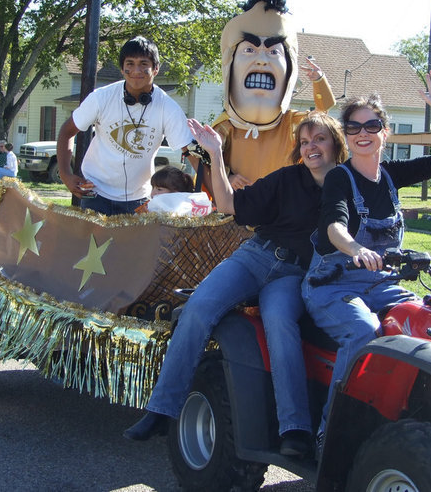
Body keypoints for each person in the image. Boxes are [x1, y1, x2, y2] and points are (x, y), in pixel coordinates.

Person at [123, 112, 348, 458]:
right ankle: (162, 411)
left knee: (281, 324)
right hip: (255, 257)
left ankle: (295, 430)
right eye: (304, 142)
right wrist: (215, 153)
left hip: (293, 274)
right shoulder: (287, 179)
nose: (311, 147)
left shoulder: (347, 186)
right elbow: (228, 205)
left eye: (319, 139)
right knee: (198, 307)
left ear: (335, 142)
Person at [301, 71, 431, 452]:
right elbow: (334, 225)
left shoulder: (391, 176)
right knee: (363, 333)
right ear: (346, 135)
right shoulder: (340, 177)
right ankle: (333, 435)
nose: (363, 133)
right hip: (333, 286)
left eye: (372, 125)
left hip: (382, 285)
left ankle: (416, 420)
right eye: (353, 127)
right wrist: (355, 249)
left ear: (384, 131)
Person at [208, 0, 336, 190]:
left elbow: (323, 115)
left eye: (273, 51)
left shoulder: (293, 124)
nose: (261, 60)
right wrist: (227, 178)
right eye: (249, 50)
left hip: (283, 214)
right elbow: (206, 164)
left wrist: (319, 82)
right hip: (239, 212)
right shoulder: (224, 127)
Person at [55, 36, 193, 216]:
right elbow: (66, 132)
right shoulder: (101, 98)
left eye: (144, 64)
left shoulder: (168, 108)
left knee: (134, 246)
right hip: (95, 193)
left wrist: (214, 195)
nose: (136, 70)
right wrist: (66, 175)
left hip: (139, 198)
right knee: (94, 245)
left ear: (156, 69)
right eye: (130, 63)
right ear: (122, 68)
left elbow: (190, 152)